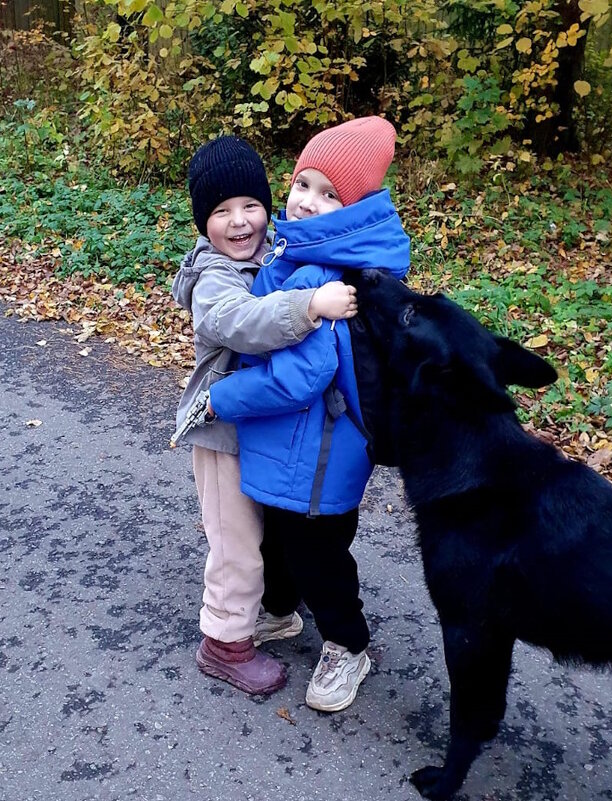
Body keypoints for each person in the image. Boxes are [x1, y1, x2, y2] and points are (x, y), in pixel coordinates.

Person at [208, 116, 411, 712]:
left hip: (321, 445)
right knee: (282, 535)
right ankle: (278, 611)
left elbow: (302, 376)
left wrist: (221, 399)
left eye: (330, 195)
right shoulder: (305, 252)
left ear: (357, 204)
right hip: (297, 441)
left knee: (318, 552)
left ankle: (349, 644)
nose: (307, 203)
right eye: (302, 185)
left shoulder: (324, 270)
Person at [172, 135, 358, 696]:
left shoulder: (272, 253)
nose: (238, 222)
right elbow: (242, 322)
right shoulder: (214, 278)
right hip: (220, 430)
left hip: (258, 426)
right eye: (220, 212)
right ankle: (225, 645)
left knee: (267, 533)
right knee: (235, 545)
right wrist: (309, 305)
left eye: (250, 206)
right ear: (202, 223)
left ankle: (276, 610)